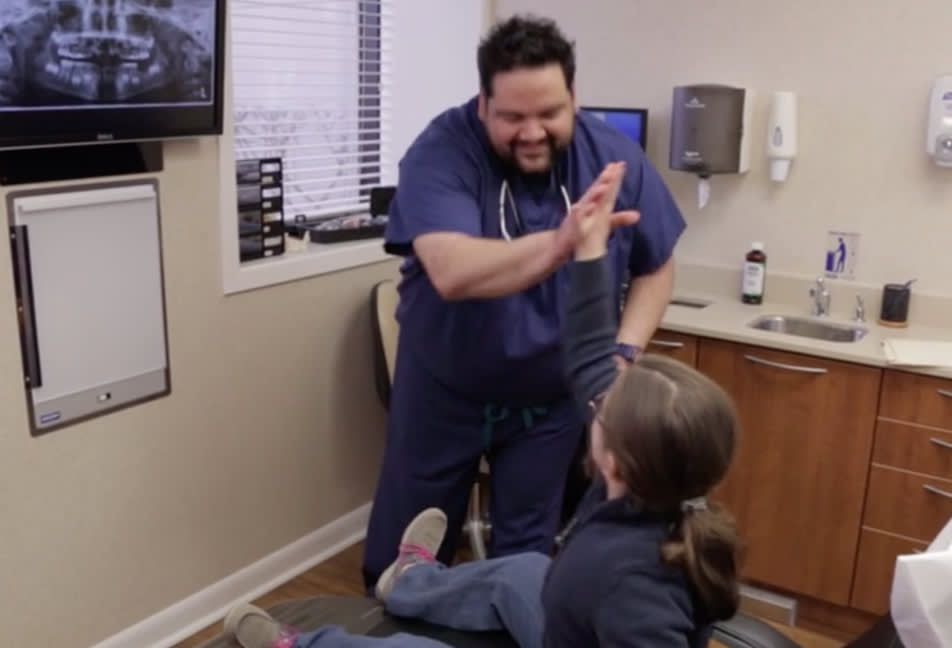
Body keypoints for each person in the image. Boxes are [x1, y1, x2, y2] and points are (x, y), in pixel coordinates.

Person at [222, 162, 741, 648]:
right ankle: (411, 580)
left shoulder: (636, 596)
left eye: (604, 408)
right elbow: (587, 350)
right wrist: (588, 252)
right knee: (522, 570)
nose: (597, 400)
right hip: (566, 616)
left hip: (571, 630)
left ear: (616, 459)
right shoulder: (641, 498)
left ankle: (297, 643)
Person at [363, 13, 686, 591]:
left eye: (549, 113)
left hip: (548, 403)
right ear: (483, 103)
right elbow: (451, 270)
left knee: (525, 565)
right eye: (512, 116)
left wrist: (624, 355)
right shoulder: (441, 152)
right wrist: (565, 241)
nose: (532, 132)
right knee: (402, 557)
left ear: (573, 97)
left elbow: (656, 265)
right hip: (444, 394)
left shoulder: (613, 158)